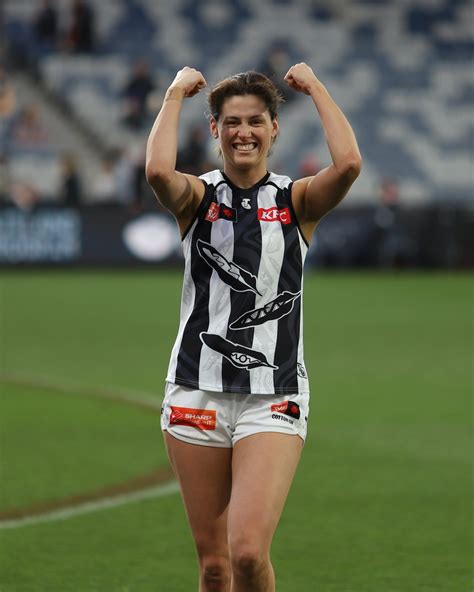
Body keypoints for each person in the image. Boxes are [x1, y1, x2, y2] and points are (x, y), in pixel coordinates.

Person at [145, 63, 361, 592]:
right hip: (197, 389)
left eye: (256, 121)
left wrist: (315, 87)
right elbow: (155, 172)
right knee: (215, 566)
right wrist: (174, 94)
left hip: (274, 394)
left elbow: (350, 164)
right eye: (232, 121)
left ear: (273, 130)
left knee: (246, 554)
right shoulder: (198, 198)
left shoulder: (297, 201)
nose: (245, 131)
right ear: (215, 130)